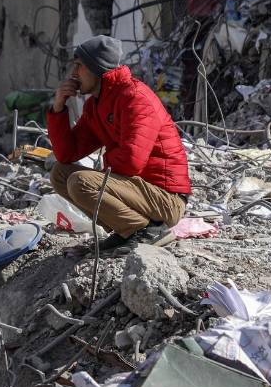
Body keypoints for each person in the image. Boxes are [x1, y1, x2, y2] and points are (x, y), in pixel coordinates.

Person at [45, 35, 191, 253]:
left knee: (80, 182)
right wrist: (58, 108)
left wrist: (101, 172)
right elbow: (67, 153)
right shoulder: (97, 105)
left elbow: (132, 162)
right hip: (138, 193)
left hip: (165, 199)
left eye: (79, 66)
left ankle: (146, 230)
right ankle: (127, 230)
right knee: (60, 174)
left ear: (96, 68)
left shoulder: (135, 98)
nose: (74, 74)